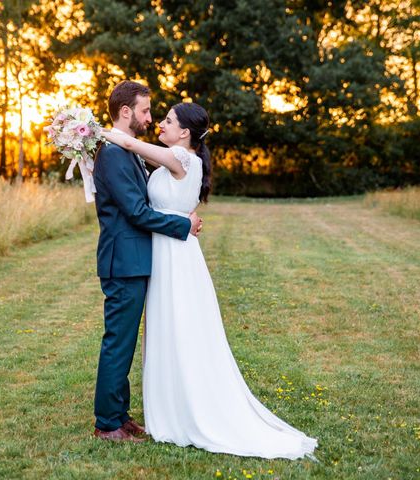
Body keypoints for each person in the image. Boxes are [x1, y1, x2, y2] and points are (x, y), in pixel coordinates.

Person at [102, 102, 318, 459]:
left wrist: (93, 132)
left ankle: (186, 410)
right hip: (168, 251)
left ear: (185, 132)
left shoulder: (181, 159)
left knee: (180, 329)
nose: (159, 124)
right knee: (168, 330)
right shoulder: (176, 158)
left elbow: (129, 146)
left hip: (174, 254)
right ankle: (167, 406)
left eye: (168, 121)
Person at [92, 81, 203, 442]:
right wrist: (182, 225)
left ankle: (120, 415)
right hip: (123, 261)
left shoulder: (128, 152)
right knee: (118, 342)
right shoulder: (112, 153)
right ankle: (107, 423)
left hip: (137, 260)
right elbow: (138, 212)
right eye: (144, 111)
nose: (150, 118)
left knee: (124, 342)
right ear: (126, 112)